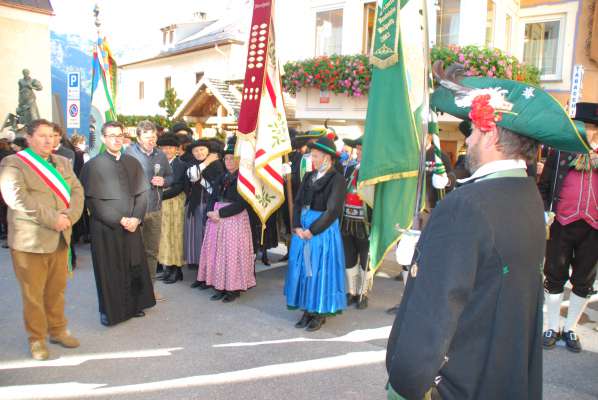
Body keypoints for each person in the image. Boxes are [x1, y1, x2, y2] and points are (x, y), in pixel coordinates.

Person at [385, 68, 591, 399]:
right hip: (498, 377)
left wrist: (406, 383)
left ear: (491, 134)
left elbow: (434, 311)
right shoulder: (525, 193)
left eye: (473, 133)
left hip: (458, 384)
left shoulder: (465, 205)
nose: (467, 140)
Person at [0, 119, 84, 360]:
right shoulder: (14, 163)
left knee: (57, 290)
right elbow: (16, 197)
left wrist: (68, 217)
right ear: (29, 138)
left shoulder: (64, 163)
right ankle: (36, 338)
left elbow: (77, 192)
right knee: (33, 294)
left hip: (60, 236)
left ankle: (57, 330)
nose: (49, 140)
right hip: (31, 241)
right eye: (42, 136)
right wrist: (53, 220)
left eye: (52, 135)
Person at [80, 121, 156, 326]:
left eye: (119, 135)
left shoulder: (132, 163)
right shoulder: (92, 166)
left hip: (132, 224)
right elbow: (93, 202)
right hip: (106, 227)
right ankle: (111, 312)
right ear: (104, 138)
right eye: (111, 135)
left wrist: (136, 218)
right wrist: (120, 219)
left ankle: (134, 305)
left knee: (134, 265)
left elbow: (142, 194)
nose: (116, 139)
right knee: (109, 269)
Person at [539, 102, 598, 353]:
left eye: (593, 127)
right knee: (554, 276)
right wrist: (543, 213)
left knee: (584, 280)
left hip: (593, 228)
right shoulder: (560, 152)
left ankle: (571, 328)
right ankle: (551, 326)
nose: (589, 131)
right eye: (584, 126)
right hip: (561, 223)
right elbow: (544, 185)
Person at [284, 136, 346, 332]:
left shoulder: (337, 179)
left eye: (317, 156)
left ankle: (319, 312)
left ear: (328, 157)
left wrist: (312, 230)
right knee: (304, 269)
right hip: (303, 228)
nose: (313, 160)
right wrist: (296, 226)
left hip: (321, 231)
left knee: (319, 270)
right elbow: (298, 202)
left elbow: (332, 210)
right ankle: (308, 310)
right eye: (313, 156)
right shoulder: (309, 176)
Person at [197, 136, 256, 302]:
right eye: (227, 158)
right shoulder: (221, 177)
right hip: (216, 218)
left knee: (232, 253)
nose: (229, 161)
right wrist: (209, 211)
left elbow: (242, 203)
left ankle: (233, 289)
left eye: (232, 158)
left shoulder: (244, 179)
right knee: (218, 253)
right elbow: (212, 196)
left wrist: (220, 214)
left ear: (239, 160)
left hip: (234, 218)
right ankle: (221, 285)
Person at [126, 120, 173, 300]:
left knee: (152, 252)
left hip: (155, 209)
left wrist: (164, 181)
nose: (150, 141)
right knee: (133, 252)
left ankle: (150, 288)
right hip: (134, 211)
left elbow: (170, 176)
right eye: (146, 137)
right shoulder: (128, 154)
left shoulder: (160, 155)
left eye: (153, 137)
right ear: (138, 137)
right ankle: (133, 288)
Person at [186, 139, 224, 288]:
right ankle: (201, 275)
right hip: (195, 205)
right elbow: (193, 176)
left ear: (208, 150)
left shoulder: (218, 165)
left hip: (210, 206)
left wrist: (207, 166)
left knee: (209, 242)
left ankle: (210, 276)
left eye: (202, 150)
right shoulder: (192, 164)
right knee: (197, 241)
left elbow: (215, 187)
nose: (199, 153)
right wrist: (206, 162)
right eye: (196, 151)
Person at [340, 136, 372, 309]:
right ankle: (352, 291)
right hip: (347, 220)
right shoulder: (349, 168)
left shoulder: (375, 171)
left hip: (365, 223)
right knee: (349, 257)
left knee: (366, 258)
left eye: (362, 149)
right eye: (358, 149)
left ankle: (363, 293)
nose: (359, 152)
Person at [155, 134, 187, 284]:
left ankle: (177, 270)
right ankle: (167, 267)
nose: (167, 150)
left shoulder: (181, 164)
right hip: (161, 204)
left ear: (176, 149)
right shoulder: (158, 164)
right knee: (163, 237)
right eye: (164, 148)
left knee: (175, 235)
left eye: (170, 148)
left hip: (175, 203)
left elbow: (178, 187)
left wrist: (159, 196)